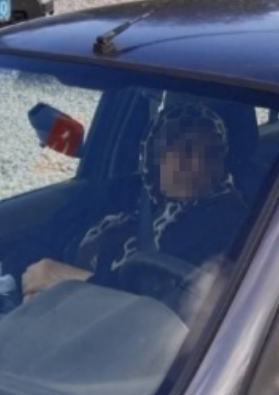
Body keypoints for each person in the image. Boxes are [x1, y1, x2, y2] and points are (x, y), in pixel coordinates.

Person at [20, 102, 248, 301]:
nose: (198, 165)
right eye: (185, 151)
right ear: (155, 154)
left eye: (211, 154)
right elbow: (38, 242)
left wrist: (74, 281)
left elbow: (177, 305)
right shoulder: (118, 193)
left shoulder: (229, 222)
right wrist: (30, 284)